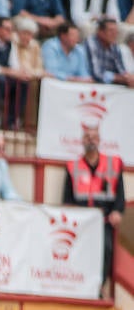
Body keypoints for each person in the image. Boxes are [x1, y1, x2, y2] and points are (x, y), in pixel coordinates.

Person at [63, 125, 125, 293]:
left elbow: (120, 197)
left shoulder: (114, 164)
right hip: (81, 223)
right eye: (87, 136)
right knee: (76, 253)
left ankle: (98, 288)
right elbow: (67, 199)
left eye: (94, 136)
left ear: (99, 140)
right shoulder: (72, 166)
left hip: (104, 222)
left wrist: (117, 212)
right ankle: (79, 288)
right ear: (82, 141)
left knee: (106, 249)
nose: (91, 140)